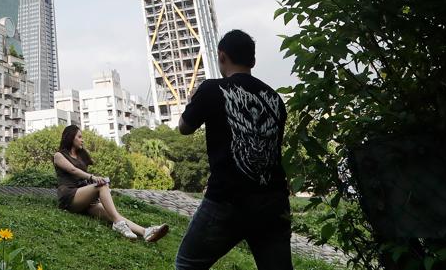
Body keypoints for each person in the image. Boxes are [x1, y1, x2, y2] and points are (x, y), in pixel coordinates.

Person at [174, 29, 292, 270]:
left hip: (227, 198)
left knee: (187, 264)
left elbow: (184, 128)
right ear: (253, 61)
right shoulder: (275, 99)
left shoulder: (211, 89)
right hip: (273, 199)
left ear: (221, 56)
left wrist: (192, 101)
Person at [53, 124, 169, 242]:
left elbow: (83, 179)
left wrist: (95, 189)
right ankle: (119, 224)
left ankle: (145, 232)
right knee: (101, 186)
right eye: (79, 137)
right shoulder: (59, 155)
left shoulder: (80, 156)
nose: (82, 140)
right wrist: (93, 178)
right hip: (69, 197)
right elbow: (73, 170)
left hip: (83, 199)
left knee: (113, 214)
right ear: (71, 137)